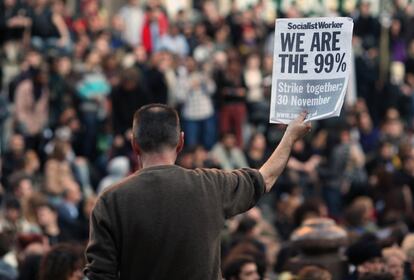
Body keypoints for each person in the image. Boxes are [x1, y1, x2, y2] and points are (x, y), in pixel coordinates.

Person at [84, 104, 310, 279]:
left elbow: (100, 275)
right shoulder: (210, 185)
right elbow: (264, 179)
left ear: (135, 144)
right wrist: (290, 137)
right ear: (181, 142)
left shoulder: (110, 201)